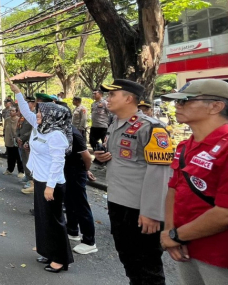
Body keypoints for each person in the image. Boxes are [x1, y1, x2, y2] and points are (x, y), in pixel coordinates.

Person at [94, 79, 174, 285]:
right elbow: (120, 158)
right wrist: (101, 158)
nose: (107, 99)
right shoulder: (115, 123)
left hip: (141, 209)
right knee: (129, 260)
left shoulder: (152, 128)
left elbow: (160, 173)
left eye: (112, 95)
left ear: (129, 98)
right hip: (118, 202)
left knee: (148, 266)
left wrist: (152, 212)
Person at [159, 79, 228, 284]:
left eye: (185, 100)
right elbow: (174, 189)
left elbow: (224, 213)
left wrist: (176, 235)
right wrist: (170, 233)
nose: (177, 106)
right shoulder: (184, 145)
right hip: (184, 247)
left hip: (219, 255)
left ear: (216, 106)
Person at [8, 79, 74, 273]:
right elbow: (27, 112)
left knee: (54, 221)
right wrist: (18, 92)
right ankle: (48, 251)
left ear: (50, 116)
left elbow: (57, 163)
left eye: (40, 112)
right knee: (43, 220)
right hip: (41, 180)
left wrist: (50, 186)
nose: (36, 114)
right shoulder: (40, 128)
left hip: (51, 183)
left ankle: (61, 259)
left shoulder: (56, 135)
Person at [64, 125, 98, 255]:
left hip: (76, 172)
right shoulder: (60, 130)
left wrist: (85, 170)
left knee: (80, 204)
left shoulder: (73, 133)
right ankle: (72, 230)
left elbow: (87, 157)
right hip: (67, 170)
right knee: (69, 202)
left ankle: (89, 241)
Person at [19, 96, 36, 194]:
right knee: (25, 160)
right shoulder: (24, 115)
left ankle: (31, 181)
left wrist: (23, 139)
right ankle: (28, 177)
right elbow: (19, 126)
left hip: (28, 141)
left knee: (30, 161)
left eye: (28, 103)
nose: (27, 104)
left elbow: (31, 131)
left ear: (33, 103)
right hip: (22, 140)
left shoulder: (34, 115)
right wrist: (18, 136)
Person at [3, 106, 24, 178]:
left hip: (17, 141)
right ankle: (9, 169)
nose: (11, 112)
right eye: (10, 111)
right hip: (8, 140)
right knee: (10, 156)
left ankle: (21, 171)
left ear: (16, 112)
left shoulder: (19, 120)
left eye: (13, 111)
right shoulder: (7, 120)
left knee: (19, 157)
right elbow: (5, 129)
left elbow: (21, 131)